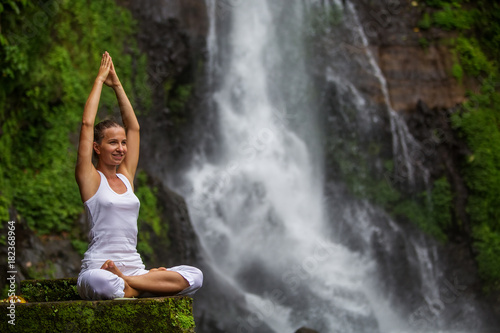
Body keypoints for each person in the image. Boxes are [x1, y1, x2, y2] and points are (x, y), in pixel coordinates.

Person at [75, 51, 202, 300]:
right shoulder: (90, 179)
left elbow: (134, 128)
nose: (121, 148)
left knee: (195, 276)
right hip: (99, 268)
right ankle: (143, 285)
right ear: (97, 147)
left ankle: (131, 283)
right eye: (113, 143)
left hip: (134, 267)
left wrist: (118, 84)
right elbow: (87, 125)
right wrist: (100, 81)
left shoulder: (126, 177)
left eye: (123, 143)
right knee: (106, 284)